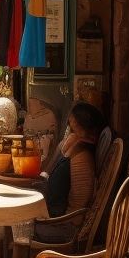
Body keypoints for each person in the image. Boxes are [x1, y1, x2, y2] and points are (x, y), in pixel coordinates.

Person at [38, 103, 108, 242]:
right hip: (49, 212)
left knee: (18, 225)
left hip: (63, 227)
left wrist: (43, 222)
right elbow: (50, 167)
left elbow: (75, 215)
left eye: (73, 128)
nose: (68, 130)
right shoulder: (73, 144)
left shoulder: (82, 159)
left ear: (89, 133)